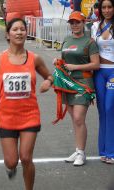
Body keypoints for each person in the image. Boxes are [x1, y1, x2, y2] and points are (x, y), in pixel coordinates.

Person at [0, 18, 53, 190]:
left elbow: (50, 76)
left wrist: (48, 83)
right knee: (12, 161)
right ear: (8, 34)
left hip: (30, 115)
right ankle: (11, 168)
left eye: (22, 29)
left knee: (26, 158)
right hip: (6, 117)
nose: (19, 32)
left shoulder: (34, 59)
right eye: (15, 29)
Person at [57, 11, 99, 166]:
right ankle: (78, 149)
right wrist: (59, 63)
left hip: (84, 83)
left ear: (83, 23)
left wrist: (76, 66)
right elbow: (64, 60)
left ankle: (81, 153)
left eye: (77, 22)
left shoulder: (90, 42)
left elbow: (96, 64)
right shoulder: (66, 40)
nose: (74, 25)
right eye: (72, 22)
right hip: (67, 83)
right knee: (74, 120)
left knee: (78, 118)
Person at [91, 0, 114, 164]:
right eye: (104, 7)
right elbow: (91, 50)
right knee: (102, 111)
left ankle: (111, 151)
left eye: (110, 7)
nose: (106, 10)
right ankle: (103, 150)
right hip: (99, 73)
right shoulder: (95, 26)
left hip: (113, 72)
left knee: (110, 108)